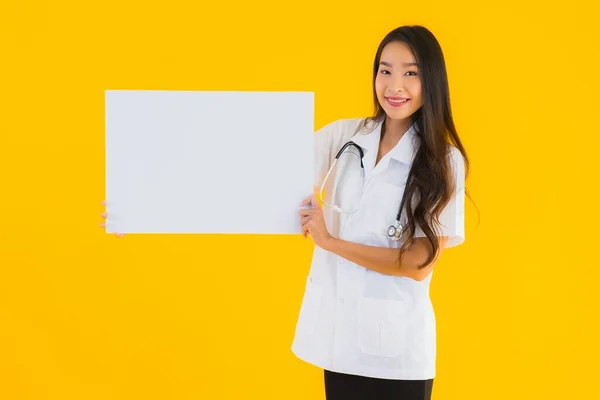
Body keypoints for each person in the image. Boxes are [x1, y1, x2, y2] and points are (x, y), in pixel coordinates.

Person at [293, 25, 470, 400]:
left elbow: (418, 263)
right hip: (340, 345)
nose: (394, 86)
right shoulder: (347, 137)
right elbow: (268, 165)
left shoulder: (443, 160)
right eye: (385, 70)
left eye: (411, 72)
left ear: (432, 80)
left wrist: (330, 242)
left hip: (398, 355)